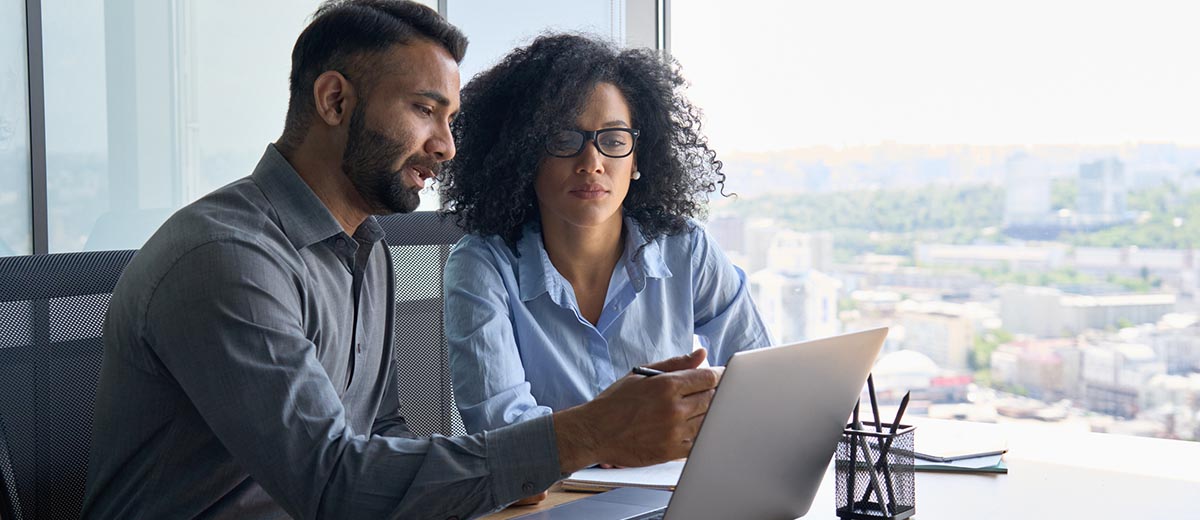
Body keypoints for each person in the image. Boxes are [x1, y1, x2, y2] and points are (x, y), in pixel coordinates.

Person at [81, 3, 721, 519]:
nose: (444, 147)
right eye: (424, 110)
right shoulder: (228, 259)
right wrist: (583, 435)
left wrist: (505, 472)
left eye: (450, 119)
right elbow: (331, 485)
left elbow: (378, 433)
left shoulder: (366, 248)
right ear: (334, 101)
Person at [439, 34, 771, 437]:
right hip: (549, 496)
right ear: (524, 155)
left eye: (613, 141)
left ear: (636, 160)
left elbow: (760, 380)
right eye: (564, 139)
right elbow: (502, 430)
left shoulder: (687, 249)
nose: (592, 162)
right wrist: (610, 438)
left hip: (672, 486)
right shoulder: (482, 266)